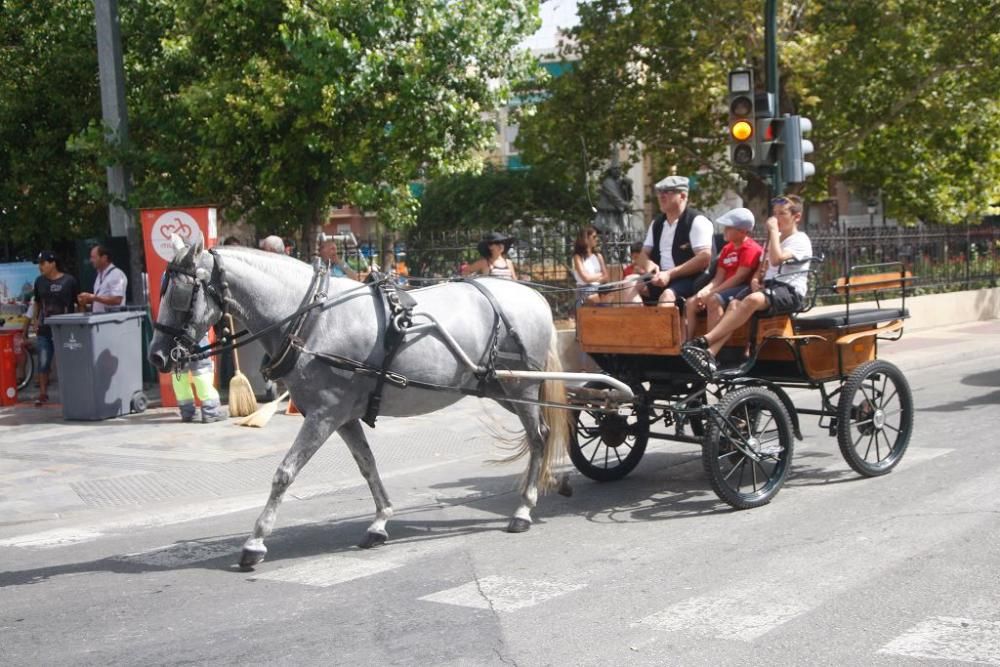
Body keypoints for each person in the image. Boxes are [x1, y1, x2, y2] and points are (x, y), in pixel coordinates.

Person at [682, 195, 812, 377]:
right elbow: (763, 265)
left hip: (789, 290)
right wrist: (755, 278)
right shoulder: (770, 241)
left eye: (782, 214)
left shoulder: (800, 240)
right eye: (774, 214)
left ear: (796, 217)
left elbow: (776, 259)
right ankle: (711, 353)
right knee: (734, 304)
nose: (775, 219)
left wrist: (774, 232)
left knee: (752, 299)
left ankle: (706, 340)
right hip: (768, 287)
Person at [684, 208, 763, 340]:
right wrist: (704, 291)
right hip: (724, 288)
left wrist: (712, 293)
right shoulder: (727, 248)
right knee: (691, 302)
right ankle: (686, 344)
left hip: (742, 289)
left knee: (713, 299)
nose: (724, 230)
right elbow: (718, 277)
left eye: (729, 227)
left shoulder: (751, 249)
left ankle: (708, 346)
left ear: (742, 231)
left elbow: (739, 278)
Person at [638, 175, 714, 308]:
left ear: (683, 196)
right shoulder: (657, 223)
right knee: (628, 285)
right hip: (659, 277)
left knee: (667, 296)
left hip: (690, 279)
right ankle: (635, 327)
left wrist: (669, 274)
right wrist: (648, 263)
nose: (661, 196)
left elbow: (704, 257)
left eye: (668, 192)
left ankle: (663, 329)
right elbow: (643, 254)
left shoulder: (697, 221)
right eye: (659, 192)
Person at [25, 251, 80, 406]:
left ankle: (72, 390)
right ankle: (43, 393)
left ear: (53, 263)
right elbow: (37, 302)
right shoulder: (39, 281)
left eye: (43, 263)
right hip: (44, 328)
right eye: (39, 264)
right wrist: (35, 320)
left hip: (66, 328)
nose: (40, 267)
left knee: (68, 361)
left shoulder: (69, 280)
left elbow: (78, 302)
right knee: (43, 361)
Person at [77, 244, 127, 313]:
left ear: (104, 258)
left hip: (112, 320)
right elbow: (101, 300)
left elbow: (117, 300)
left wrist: (93, 297)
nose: (91, 260)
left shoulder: (116, 274)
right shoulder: (99, 274)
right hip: (100, 319)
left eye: (93, 257)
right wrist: (87, 299)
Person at [572, 226, 609, 306]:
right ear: (586, 239)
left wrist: (592, 278)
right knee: (593, 299)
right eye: (594, 237)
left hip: (599, 290)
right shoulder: (578, 257)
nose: (597, 239)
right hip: (584, 291)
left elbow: (606, 277)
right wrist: (599, 275)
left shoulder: (598, 256)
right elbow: (585, 278)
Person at [594, 166, 631, 236]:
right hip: (607, 212)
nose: (618, 171)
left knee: (621, 231)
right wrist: (624, 204)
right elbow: (613, 196)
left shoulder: (620, 182)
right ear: (611, 171)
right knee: (609, 230)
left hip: (617, 212)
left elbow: (627, 197)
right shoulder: (608, 182)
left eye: (619, 169)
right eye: (615, 169)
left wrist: (628, 186)